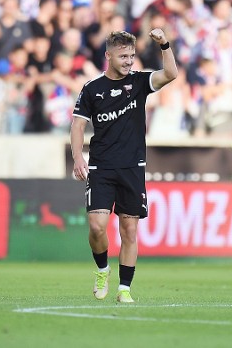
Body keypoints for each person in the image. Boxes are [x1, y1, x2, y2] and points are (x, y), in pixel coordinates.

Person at [71, 29, 177, 303]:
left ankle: (124, 289)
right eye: (123, 56)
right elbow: (78, 125)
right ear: (108, 56)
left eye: (132, 55)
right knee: (97, 226)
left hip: (132, 167)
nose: (129, 61)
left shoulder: (139, 82)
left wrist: (164, 44)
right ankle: (102, 269)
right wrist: (78, 157)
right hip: (101, 167)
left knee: (129, 230)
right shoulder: (92, 88)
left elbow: (171, 74)